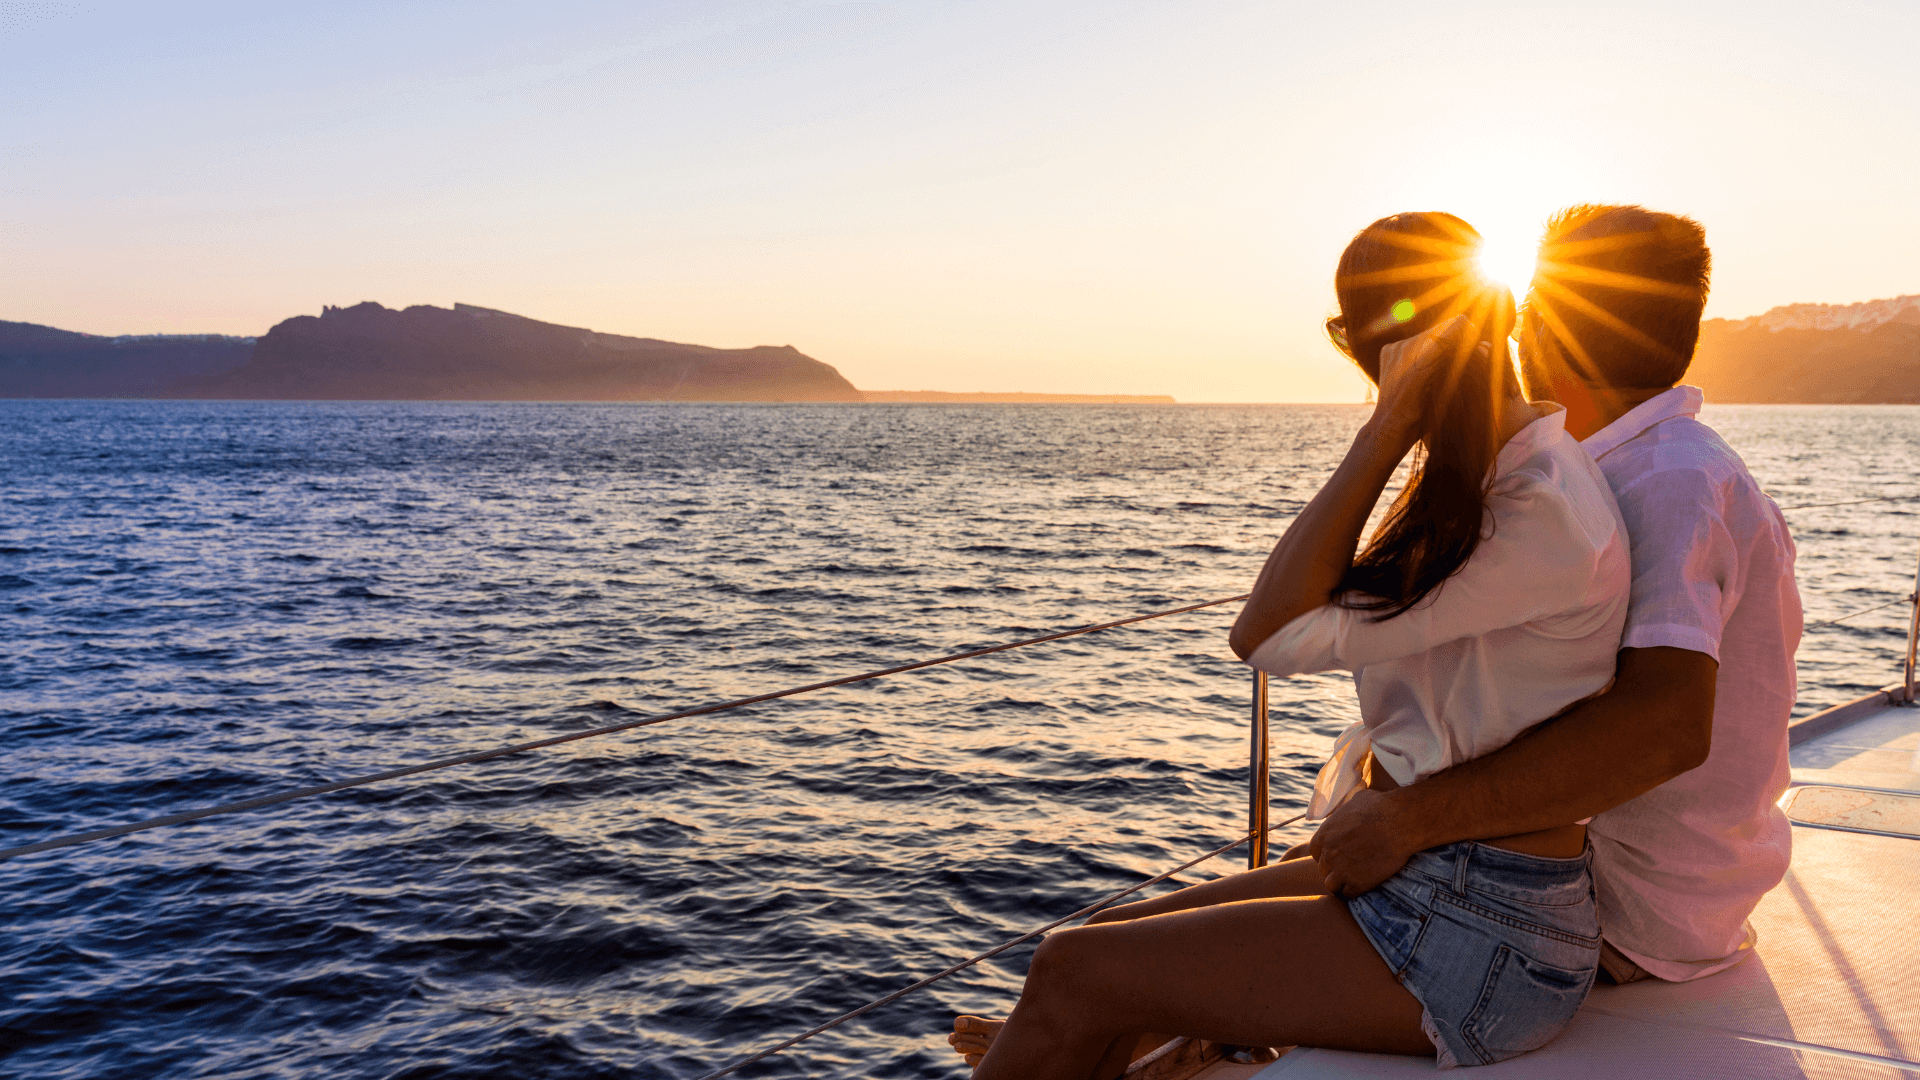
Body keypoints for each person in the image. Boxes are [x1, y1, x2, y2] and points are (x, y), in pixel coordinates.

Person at [950, 212, 1631, 1077]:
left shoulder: (1536, 508)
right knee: (1098, 947)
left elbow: (1265, 633)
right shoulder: (1503, 478)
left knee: (1071, 973)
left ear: (1368, 349)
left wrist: (1387, 426)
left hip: (1490, 933)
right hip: (1442, 882)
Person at [1306, 205, 1801, 987]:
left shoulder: (1669, 483)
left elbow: (1664, 727)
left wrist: (1407, 820)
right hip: (1584, 876)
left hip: (1612, 906)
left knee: (1123, 968)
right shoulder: (1631, 468)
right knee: (1151, 946)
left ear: (1545, 324)